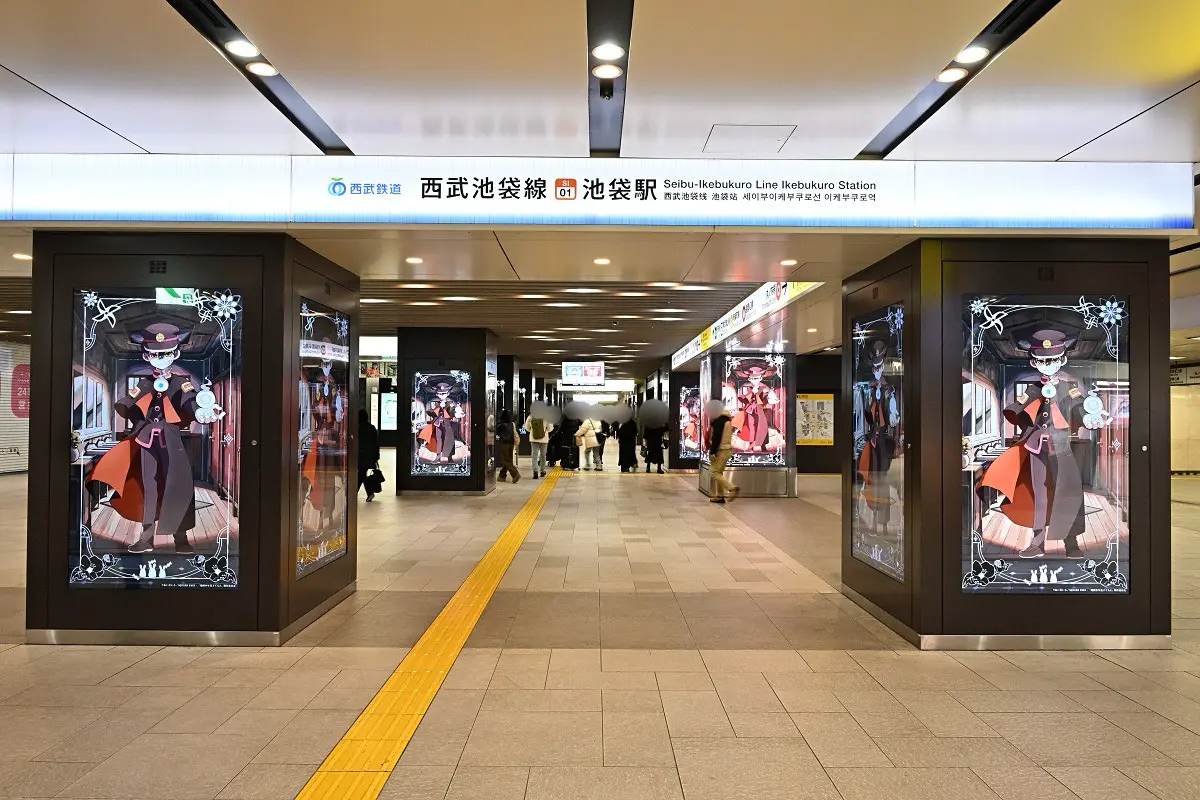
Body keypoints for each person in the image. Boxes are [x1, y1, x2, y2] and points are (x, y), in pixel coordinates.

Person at [88, 323, 225, 554]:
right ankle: (146, 537)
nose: (160, 358)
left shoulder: (181, 382)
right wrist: (134, 402)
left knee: (178, 488)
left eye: (165, 353)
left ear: (176, 353)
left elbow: (190, 402)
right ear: (146, 354)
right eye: (154, 354)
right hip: (145, 442)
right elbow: (125, 405)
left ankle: (180, 538)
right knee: (147, 489)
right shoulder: (143, 383)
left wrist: (203, 413)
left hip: (172, 442)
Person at [708, 407, 740, 503]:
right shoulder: (727, 422)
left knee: (714, 472)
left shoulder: (719, 422)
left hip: (720, 450)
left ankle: (732, 488)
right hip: (727, 450)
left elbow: (716, 437)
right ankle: (720, 496)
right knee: (719, 472)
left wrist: (713, 452)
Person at [357, 408, 381, 501]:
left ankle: (354, 493)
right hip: (369, 456)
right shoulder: (372, 428)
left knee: (361, 473)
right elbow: (376, 443)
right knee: (362, 473)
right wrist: (376, 456)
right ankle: (369, 493)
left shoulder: (356, 428)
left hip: (360, 455)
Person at [495, 408, 521, 483]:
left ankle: (515, 474)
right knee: (508, 459)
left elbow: (497, 433)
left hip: (504, 443)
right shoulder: (511, 424)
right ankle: (502, 476)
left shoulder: (500, 424)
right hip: (511, 443)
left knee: (505, 460)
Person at [525, 408, 550, 479]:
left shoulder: (531, 416)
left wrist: (532, 431)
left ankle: (535, 472)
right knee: (543, 455)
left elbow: (527, 428)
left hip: (534, 439)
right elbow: (550, 428)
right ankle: (542, 471)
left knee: (534, 455)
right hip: (544, 439)